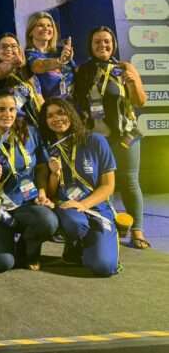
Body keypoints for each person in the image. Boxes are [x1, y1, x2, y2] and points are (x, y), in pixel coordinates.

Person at [73, 26, 149, 249]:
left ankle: (137, 230)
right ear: (90, 45)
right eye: (97, 42)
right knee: (98, 186)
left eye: (106, 41)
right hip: (96, 139)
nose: (102, 46)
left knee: (129, 182)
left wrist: (132, 83)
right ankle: (107, 229)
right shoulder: (83, 71)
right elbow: (77, 103)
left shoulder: (125, 67)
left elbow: (140, 102)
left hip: (125, 137)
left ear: (113, 44)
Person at [0, 90, 58, 272]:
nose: (7, 115)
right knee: (3, 264)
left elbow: (41, 166)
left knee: (48, 222)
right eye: (1, 109)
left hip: (26, 203)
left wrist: (41, 190)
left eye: (11, 109)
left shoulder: (30, 133)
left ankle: (27, 248)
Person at [38, 98, 119, 276]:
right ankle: (75, 241)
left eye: (61, 112)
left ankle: (90, 246)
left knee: (104, 267)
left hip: (96, 207)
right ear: (45, 122)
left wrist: (83, 205)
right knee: (75, 223)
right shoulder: (46, 148)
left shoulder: (96, 141)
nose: (57, 118)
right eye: (50, 116)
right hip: (67, 208)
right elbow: (51, 194)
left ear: (71, 114)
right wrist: (54, 175)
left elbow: (108, 186)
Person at [0, 33, 44, 128]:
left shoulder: (31, 76)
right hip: (6, 126)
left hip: (32, 127)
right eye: (4, 46)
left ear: (19, 50)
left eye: (13, 46)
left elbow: (40, 102)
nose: (9, 49)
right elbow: (1, 70)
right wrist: (12, 64)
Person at [24, 11, 75, 99]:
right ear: (30, 32)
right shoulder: (28, 54)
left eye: (49, 25)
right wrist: (60, 61)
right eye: (40, 25)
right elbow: (39, 66)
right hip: (51, 107)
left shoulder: (60, 51)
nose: (46, 28)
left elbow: (76, 72)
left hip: (72, 105)